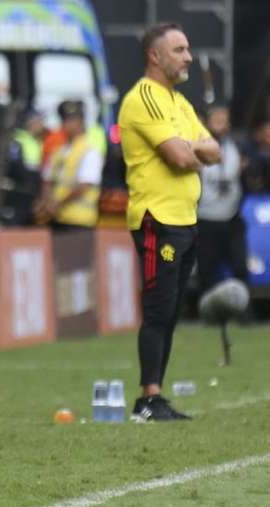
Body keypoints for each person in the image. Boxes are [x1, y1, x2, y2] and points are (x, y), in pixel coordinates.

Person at [118, 22, 221, 421]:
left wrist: (191, 147)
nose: (188, 57)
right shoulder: (143, 98)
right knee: (159, 309)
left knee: (174, 308)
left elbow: (215, 151)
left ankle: (155, 396)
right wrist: (193, 149)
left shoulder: (178, 102)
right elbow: (182, 158)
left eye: (187, 49)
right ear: (154, 56)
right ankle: (148, 399)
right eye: (179, 49)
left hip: (185, 218)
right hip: (156, 219)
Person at [196, 105, 250, 293]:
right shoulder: (197, 144)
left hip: (232, 216)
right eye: (217, 118)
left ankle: (243, 310)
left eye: (224, 118)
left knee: (240, 266)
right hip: (206, 217)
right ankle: (207, 310)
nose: (222, 122)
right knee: (207, 269)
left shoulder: (237, 144)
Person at [34, 100, 103, 231]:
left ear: (80, 122)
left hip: (80, 220)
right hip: (57, 218)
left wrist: (57, 204)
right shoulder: (58, 151)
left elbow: (85, 185)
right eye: (64, 121)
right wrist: (46, 202)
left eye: (71, 120)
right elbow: (48, 179)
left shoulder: (90, 152)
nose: (66, 125)